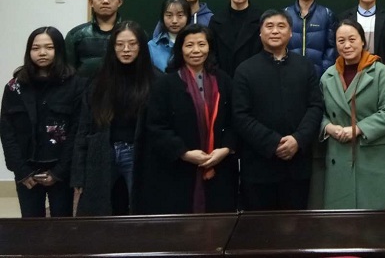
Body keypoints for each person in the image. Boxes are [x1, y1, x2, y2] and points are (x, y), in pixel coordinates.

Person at [141, 24, 238, 214]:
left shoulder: (224, 81)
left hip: (219, 168)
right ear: (180, 49)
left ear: (209, 47)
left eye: (201, 44)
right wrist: (184, 153)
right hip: (178, 171)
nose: (196, 50)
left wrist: (226, 149)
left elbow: (235, 120)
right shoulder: (165, 84)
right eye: (189, 45)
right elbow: (156, 126)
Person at [233, 10, 323, 210]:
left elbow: (315, 106)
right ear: (260, 33)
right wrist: (273, 142)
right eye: (269, 26)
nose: (275, 31)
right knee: (259, 226)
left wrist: (298, 139)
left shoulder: (305, 66)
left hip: (297, 166)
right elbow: (240, 115)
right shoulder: (245, 70)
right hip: (258, 168)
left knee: (296, 225)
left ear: (291, 33)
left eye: (281, 26)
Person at [72, 21, 157, 216]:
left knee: (141, 212)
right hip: (103, 152)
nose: (126, 49)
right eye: (120, 44)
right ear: (112, 47)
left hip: (138, 154)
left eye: (132, 44)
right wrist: (78, 173)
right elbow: (84, 127)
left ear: (141, 47)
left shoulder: (155, 81)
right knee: (97, 212)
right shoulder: (98, 80)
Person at [0, 27, 83, 217]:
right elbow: (7, 131)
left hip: (61, 170)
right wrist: (21, 171)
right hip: (27, 169)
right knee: (31, 225)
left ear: (59, 50)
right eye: (35, 48)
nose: (42, 53)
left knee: (62, 224)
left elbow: (77, 131)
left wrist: (59, 172)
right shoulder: (15, 86)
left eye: (49, 47)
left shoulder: (76, 84)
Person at [320, 19, 385, 209]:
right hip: (339, 156)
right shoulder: (328, 76)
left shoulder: (380, 72)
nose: (346, 45)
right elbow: (318, 113)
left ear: (362, 41)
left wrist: (358, 129)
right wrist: (328, 127)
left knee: (373, 220)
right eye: (341, 41)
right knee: (340, 219)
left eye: (352, 39)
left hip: (373, 155)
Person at [209, 0, 263, 78]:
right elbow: (211, 53)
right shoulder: (216, 20)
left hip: (252, 78)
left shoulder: (261, 19)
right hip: (222, 79)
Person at [285, 0, 337, 76]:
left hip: (318, 76)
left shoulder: (327, 14)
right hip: (289, 74)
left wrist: (324, 71)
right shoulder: (285, 14)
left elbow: (331, 47)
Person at [65, 0, 123, 77]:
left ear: (120, 2)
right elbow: (67, 71)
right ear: (91, 2)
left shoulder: (131, 34)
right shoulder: (76, 35)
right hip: (84, 86)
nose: (105, 1)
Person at [148, 0, 191, 72]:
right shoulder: (151, 46)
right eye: (169, 15)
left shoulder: (196, 44)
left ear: (188, 17)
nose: (174, 21)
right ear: (162, 17)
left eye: (180, 15)